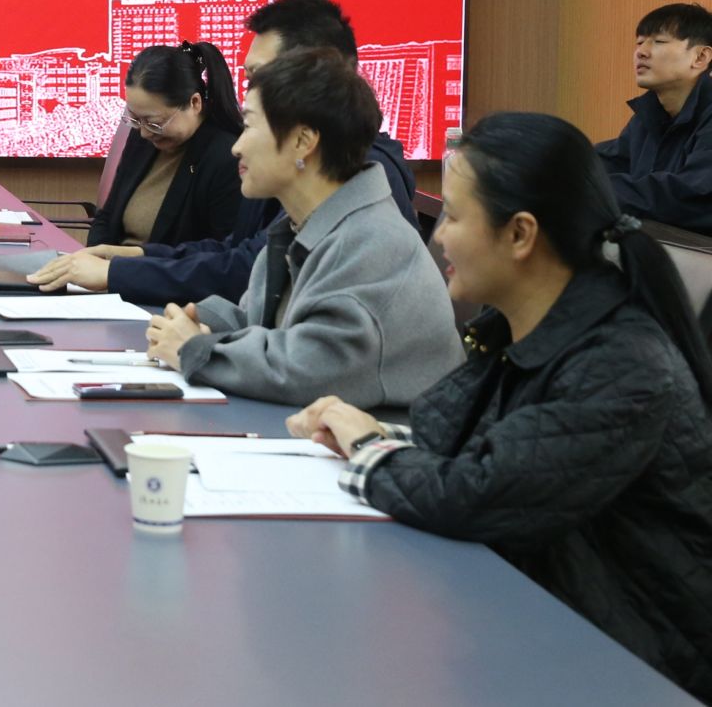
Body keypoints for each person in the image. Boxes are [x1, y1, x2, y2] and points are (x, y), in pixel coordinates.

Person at [290, 113, 712, 700]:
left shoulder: (622, 363)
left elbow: (478, 493)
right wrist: (380, 440)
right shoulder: (523, 328)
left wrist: (368, 446)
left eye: (455, 217)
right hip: (549, 625)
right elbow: (477, 452)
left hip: (633, 666)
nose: (439, 236)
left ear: (520, 234)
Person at [34, 0, 415, 303]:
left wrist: (121, 274)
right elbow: (237, 251)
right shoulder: (295, 160)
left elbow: (251, 275)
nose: (238, 147)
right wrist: (134, 256)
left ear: (318, 74)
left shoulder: (354, 174)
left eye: (261, 77)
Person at [145, 46, 462, 406]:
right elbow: (258, 320)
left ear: (302, 142)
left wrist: (195, 348)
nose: (237, 147)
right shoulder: (306, 223)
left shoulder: (373, 241)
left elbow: (308, 369)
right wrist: (194, 320)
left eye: (249, 126)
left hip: (374, 433)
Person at [78, 41, 243, 251]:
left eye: (154, 123)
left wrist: (129, 260)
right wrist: (91, 256)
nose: (145, 133)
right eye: (135, 119)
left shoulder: (225, 158)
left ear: (194, 103)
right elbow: (108, 215)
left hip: (162, 271)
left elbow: (221, 254)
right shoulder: (142, 138)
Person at [595, 2, 712, 234]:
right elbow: (606, 163)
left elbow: (693, 195)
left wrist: (591, 190)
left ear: (701, 57)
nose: (641, 52)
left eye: (658, 41)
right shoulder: (649, 115)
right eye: (639, 42)